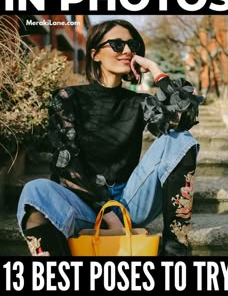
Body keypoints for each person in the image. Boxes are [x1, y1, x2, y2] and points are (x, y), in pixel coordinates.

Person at [17, 19, 204, 256]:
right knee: (34, 191)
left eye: (132, 44)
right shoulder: (67, 98)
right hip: (82, 204)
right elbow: (66, 165)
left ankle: (175, 253)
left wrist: (157, 71)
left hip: (130, 202)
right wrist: (105, 211)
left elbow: (184, 117)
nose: (127, 50)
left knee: (180, 139)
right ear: (95, 54)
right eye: (117, 44)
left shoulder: (139, 103)